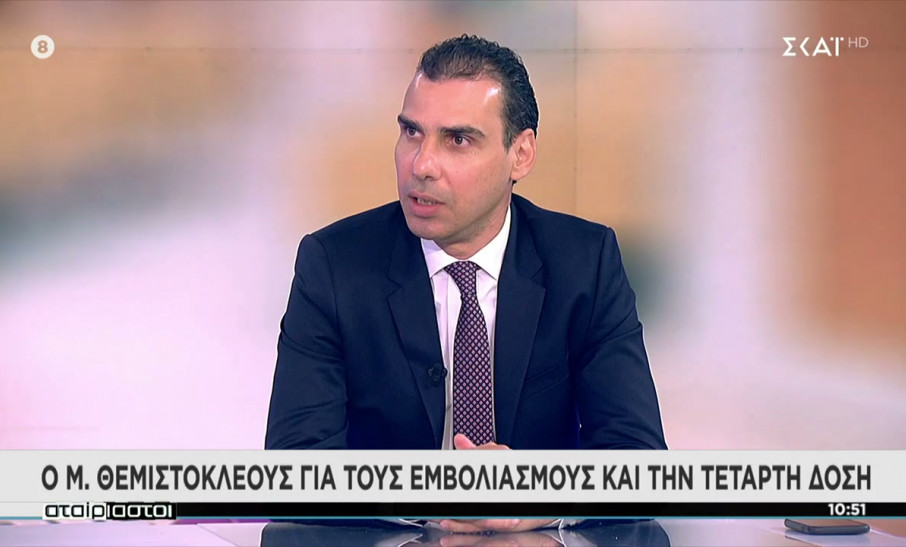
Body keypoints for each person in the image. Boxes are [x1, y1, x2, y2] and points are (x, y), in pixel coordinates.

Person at [265, 34, 666, 533]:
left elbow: (641, 462)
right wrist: (430, 497)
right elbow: (292, 471)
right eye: (411, 133)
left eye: (457, 140)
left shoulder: (584, 263)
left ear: (521, 154)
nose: (421, 165)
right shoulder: (333, 265)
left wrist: (537, 497)